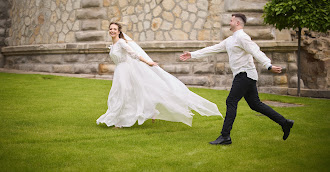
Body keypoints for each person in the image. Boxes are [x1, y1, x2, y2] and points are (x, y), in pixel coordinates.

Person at [180, 13, 294, 145]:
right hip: (245, 75)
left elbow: (255, 50)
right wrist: (192, 54)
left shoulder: (242, 37)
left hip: (245, 74)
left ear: (238, 23)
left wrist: (268, 65)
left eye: (231, 21)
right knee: (255, 104)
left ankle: (225, 136)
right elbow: (213, 49)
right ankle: (285, 123)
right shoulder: (230, 40)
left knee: (231, 101)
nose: (229, 23)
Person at [96, 22, 222, 128]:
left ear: (119, 32)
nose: (112, 31)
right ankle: (141, 112)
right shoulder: (113, 45)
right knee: (121, 93)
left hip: (125, 70)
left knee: (124, 93)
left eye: (114, 29)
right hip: (119, 71)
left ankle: (120, 121)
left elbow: (134, 54)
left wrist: (148, 62)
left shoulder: (122, 43)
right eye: (110, 29)